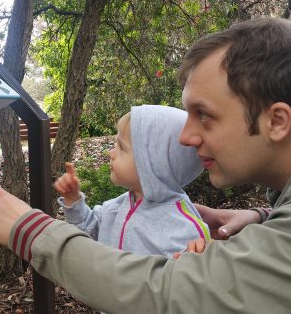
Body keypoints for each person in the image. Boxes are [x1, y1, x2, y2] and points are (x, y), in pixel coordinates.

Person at [0, 17, 291, 313]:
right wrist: (268, 215)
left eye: (204, 115)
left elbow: (174, 293)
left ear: (277, 121)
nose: (187, 138)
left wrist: (30, 231)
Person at [55, 105, 209, 257]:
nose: (111, 152)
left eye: (121, 147)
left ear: (152, 163)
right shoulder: (117, 207)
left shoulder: (184, 231)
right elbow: (87, 229)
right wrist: (73, 200)